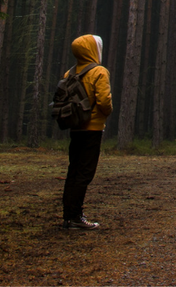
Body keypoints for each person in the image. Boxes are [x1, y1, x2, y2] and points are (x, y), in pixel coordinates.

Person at [61, 33, 112, 230]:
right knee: (85, 173)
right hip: (93, 129)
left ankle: (69, 215)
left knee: (73, 171)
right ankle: (75, 216)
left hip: (76, 128)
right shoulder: (99, 72)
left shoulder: (70, 73)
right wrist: (106, 113)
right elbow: (104, 102)